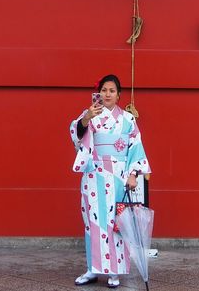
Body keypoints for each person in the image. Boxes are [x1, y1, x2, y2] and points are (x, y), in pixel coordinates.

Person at [70, 74, 151, 288]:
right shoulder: (90, 115)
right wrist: (86, 118)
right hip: (95, 174)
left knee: (116, 224)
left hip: (119, 176)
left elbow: (135, 146)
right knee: (93, 223)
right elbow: (78, 136)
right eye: (104, 90)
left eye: (112, 91)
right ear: (99, 93)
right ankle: (92, 269)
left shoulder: (128, 119)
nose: (107, 94)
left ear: (118, 95)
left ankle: (114, 271)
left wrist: (133, 174)